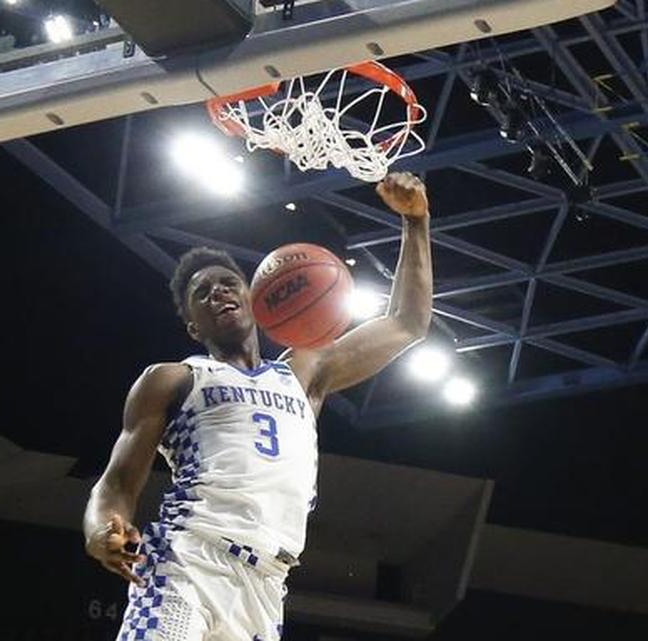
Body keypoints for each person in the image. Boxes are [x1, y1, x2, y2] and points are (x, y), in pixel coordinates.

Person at [83, 172, 433, 641]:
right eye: (202, 294)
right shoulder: (174, 378)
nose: (218, 293)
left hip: (266, 583)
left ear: (253, 299)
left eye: (228, 283)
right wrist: (100, 530)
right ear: (193, 327)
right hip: (188, 559)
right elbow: (116, 483)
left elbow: (407, 323)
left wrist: (416, 222)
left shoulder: (304, 373)